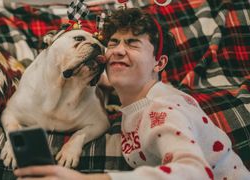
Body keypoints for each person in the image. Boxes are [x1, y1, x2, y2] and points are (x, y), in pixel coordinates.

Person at [14, 7, 250, 180]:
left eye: (133, 43)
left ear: (159, 64)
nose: (117, 51)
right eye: (113, 43)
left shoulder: (163, 111)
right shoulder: (134, 95)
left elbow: (196, 173)